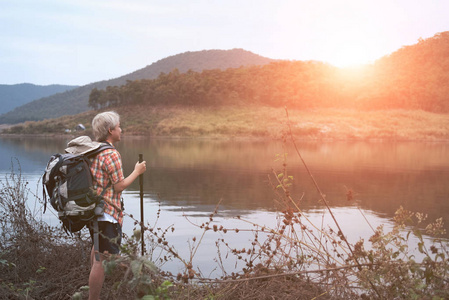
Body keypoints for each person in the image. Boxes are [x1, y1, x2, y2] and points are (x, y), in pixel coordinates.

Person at [88, 111, 146, 300]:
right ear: (111, 130)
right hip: (106, 214)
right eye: (119, 126)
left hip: (95, 212)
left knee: (97, 255)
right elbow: (119, 186)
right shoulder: (111, 153)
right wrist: (137, 171)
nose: (122, 130)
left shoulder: (94, 150)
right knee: (101, 262)